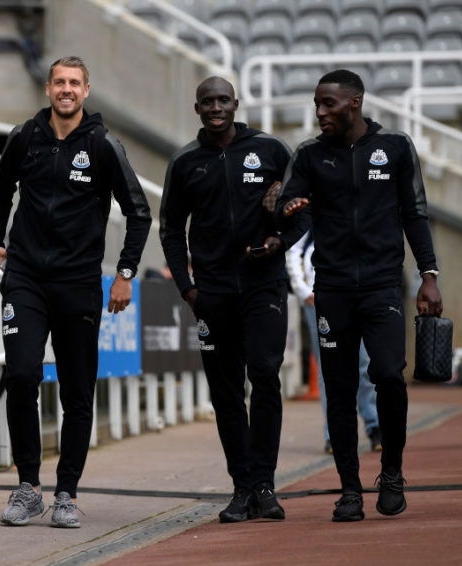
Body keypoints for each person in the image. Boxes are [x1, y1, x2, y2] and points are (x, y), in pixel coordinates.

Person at [0, 56, 151, 528]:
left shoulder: (102, 144)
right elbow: (0, 192)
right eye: (59, 82)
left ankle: (67, 494)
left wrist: (124, 272)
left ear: (86, 90)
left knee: (77, 392)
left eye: (74, 83)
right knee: (21, 376)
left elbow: (138, 213)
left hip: (79, 284)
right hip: (26, 280)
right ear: (47, 89)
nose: (66, 89)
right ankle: (27, 488)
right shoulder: (25, 137)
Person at [277, 69, 443, 522]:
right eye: (317, 104)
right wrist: (284, 205)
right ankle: (349, 489)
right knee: (341, 388)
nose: (320, 112)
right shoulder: (310, 155)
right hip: (330, 288)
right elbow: (285, 205)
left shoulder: (394, 147)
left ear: (354, 103)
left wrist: (429, 274)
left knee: (389, 374)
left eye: (328, 104)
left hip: (383, 285)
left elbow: (415, 212)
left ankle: (391, 472)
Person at [161, 76, 302, 523]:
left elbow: (303, 209)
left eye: (223, 100)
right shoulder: (185, 162)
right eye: (208, 102)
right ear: (197, 108)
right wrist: (187, 288)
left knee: (265, 376)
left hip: (264, 287)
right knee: (225, 393)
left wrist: (279, 241)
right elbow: (169, 230)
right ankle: (242, 488)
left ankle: (265, 484)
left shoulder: (271, 150)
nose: (216, 107)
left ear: (236, 104)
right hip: (213, 294)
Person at [286, 232, 382, 454]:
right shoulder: (311, 206)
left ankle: (374, 425)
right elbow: (293, 248)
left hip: (355, 294)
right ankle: (334, 434)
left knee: (365, 361)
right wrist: (302, 290)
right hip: (317, 298)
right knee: (328, 368)